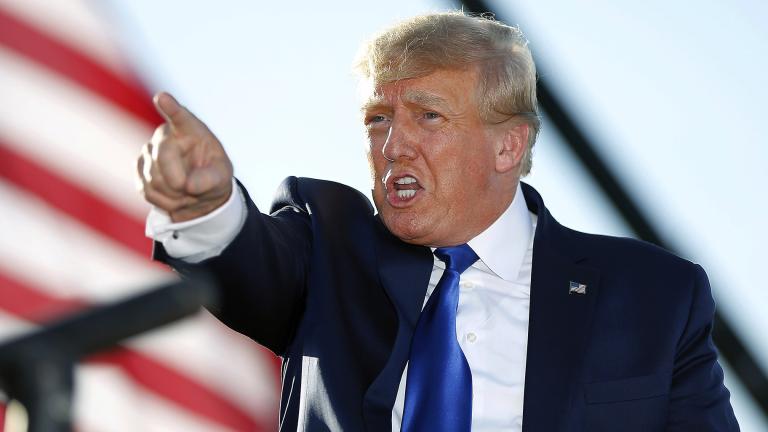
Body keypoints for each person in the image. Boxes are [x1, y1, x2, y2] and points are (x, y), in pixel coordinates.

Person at [137, 11, 739, 432]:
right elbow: (248, 259)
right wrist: (203, 203)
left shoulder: (654, 296)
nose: (393, 145)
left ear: (508, 147)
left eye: (428, 116)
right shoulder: (328, 245)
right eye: (377, 118)